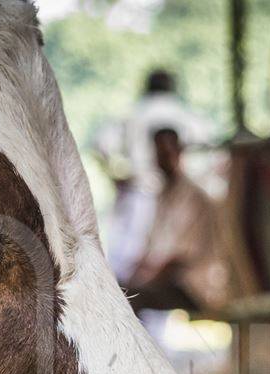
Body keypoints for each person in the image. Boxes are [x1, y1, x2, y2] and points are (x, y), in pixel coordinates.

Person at [93, 69, 214, 283]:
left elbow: (101, 144)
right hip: (175, 196)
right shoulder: (187, 114)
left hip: (138, 194)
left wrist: (118, 176)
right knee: (158, 266)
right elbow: (210, 149)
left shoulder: (133, 113)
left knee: (127, 268)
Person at [127, 127, 228, 314]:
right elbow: (149, 248)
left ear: (179, 152)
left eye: (166, 152)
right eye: (158, 153)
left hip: (195, 287)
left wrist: (141, 282)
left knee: (133, 297)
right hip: (165, 280)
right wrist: (128, 278)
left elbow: (179, 260)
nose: (162, 159)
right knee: (120, 291)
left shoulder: (195, 196)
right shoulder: (162, 195)